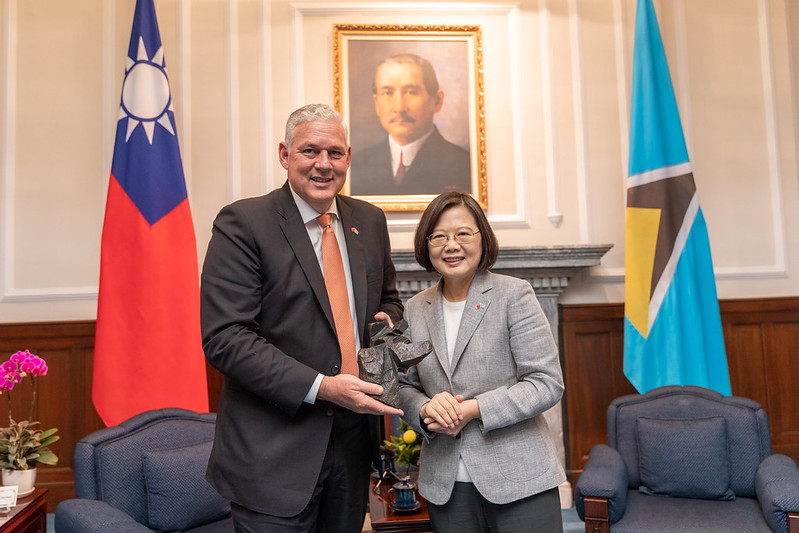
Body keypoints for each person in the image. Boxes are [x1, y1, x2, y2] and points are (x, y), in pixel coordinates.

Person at [200, 103, 404, 532]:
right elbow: (226, 338)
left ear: (348, 157)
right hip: (272, 454)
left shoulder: (369, 220)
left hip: (353, 446)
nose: (323, 164)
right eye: (310, 150)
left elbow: (389, 301)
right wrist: (324, 387)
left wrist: (387, 322)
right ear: (285, 154)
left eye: (334, 153)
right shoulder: (243, 223)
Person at [398, 192, 565, 533]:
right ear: (426, 245)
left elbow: (546, 382)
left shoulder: (514, 294)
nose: (451, 245)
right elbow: (404, 388)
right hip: (446, 485)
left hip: (521, 480)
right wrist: (426, 408)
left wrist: (473, 409)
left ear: (482, 237)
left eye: (463, 233)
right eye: (439, 236)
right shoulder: (415, 308)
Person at [350, 54, 472, 196]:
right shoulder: (356, 166)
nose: (399, 107)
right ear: (376, 103)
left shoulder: (464, 165)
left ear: (437, 101)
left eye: (411, 92)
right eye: (387, 93)